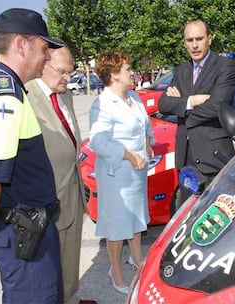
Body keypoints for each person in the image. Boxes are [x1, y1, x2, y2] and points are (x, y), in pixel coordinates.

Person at [0, 8, 65, 303]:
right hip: (24, 237)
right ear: (22, 44)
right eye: (44, 47)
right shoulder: (4, 98)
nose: (47, 56)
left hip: (25, 230)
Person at [25, 43, 96, 304]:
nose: (69, 78)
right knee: (49, 264)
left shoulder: (64, 95)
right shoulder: (26, 97)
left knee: (70, 253)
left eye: (71, 71)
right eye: (63, 71)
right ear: (44, 65)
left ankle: (70, 297)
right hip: (45, 199)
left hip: (71, 192)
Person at [89, 49, 154, 295]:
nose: (132, 72)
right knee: (117, 226)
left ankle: (137, 259)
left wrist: (148, 140)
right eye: (128, 69)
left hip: (137, 171)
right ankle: (115, 269)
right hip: (117, 175)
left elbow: (144, 123)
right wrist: (128, 154)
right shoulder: (103, 103)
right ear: (114, 74)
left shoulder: (133, 96)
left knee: (136, 218)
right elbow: (98, 141)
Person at [158, 20, 235, 203]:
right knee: (189, 217)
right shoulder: (180, 71)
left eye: (199, 39)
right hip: (186, 158)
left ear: (209, 39)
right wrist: (192, 101)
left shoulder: (225, 67)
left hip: (213, 157)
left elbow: (217, 106)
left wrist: (180, 106)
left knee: (216, 219)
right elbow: (163, 104)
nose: (194, 45)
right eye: (189, 40)